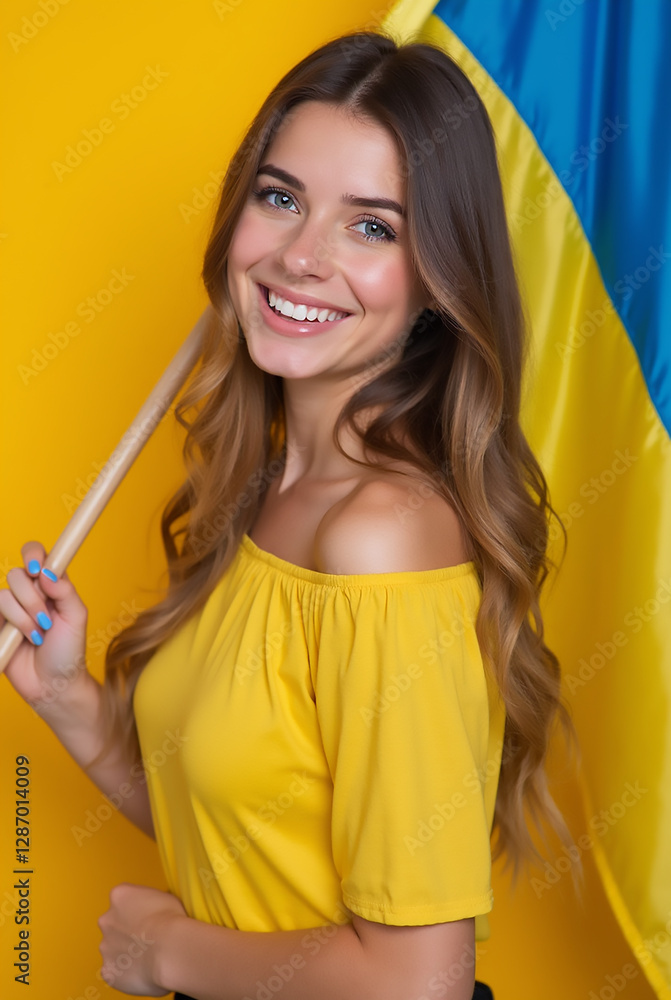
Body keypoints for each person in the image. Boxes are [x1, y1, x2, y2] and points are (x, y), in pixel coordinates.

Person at [0, 29, 582, 1000]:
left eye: (371, 227)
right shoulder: (267, 489)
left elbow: (417, 983)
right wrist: (67, 698)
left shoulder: (380, 536)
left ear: (436, 278)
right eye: (280, 199)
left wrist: (165, 953)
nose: (301, 257)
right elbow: (245, 836)